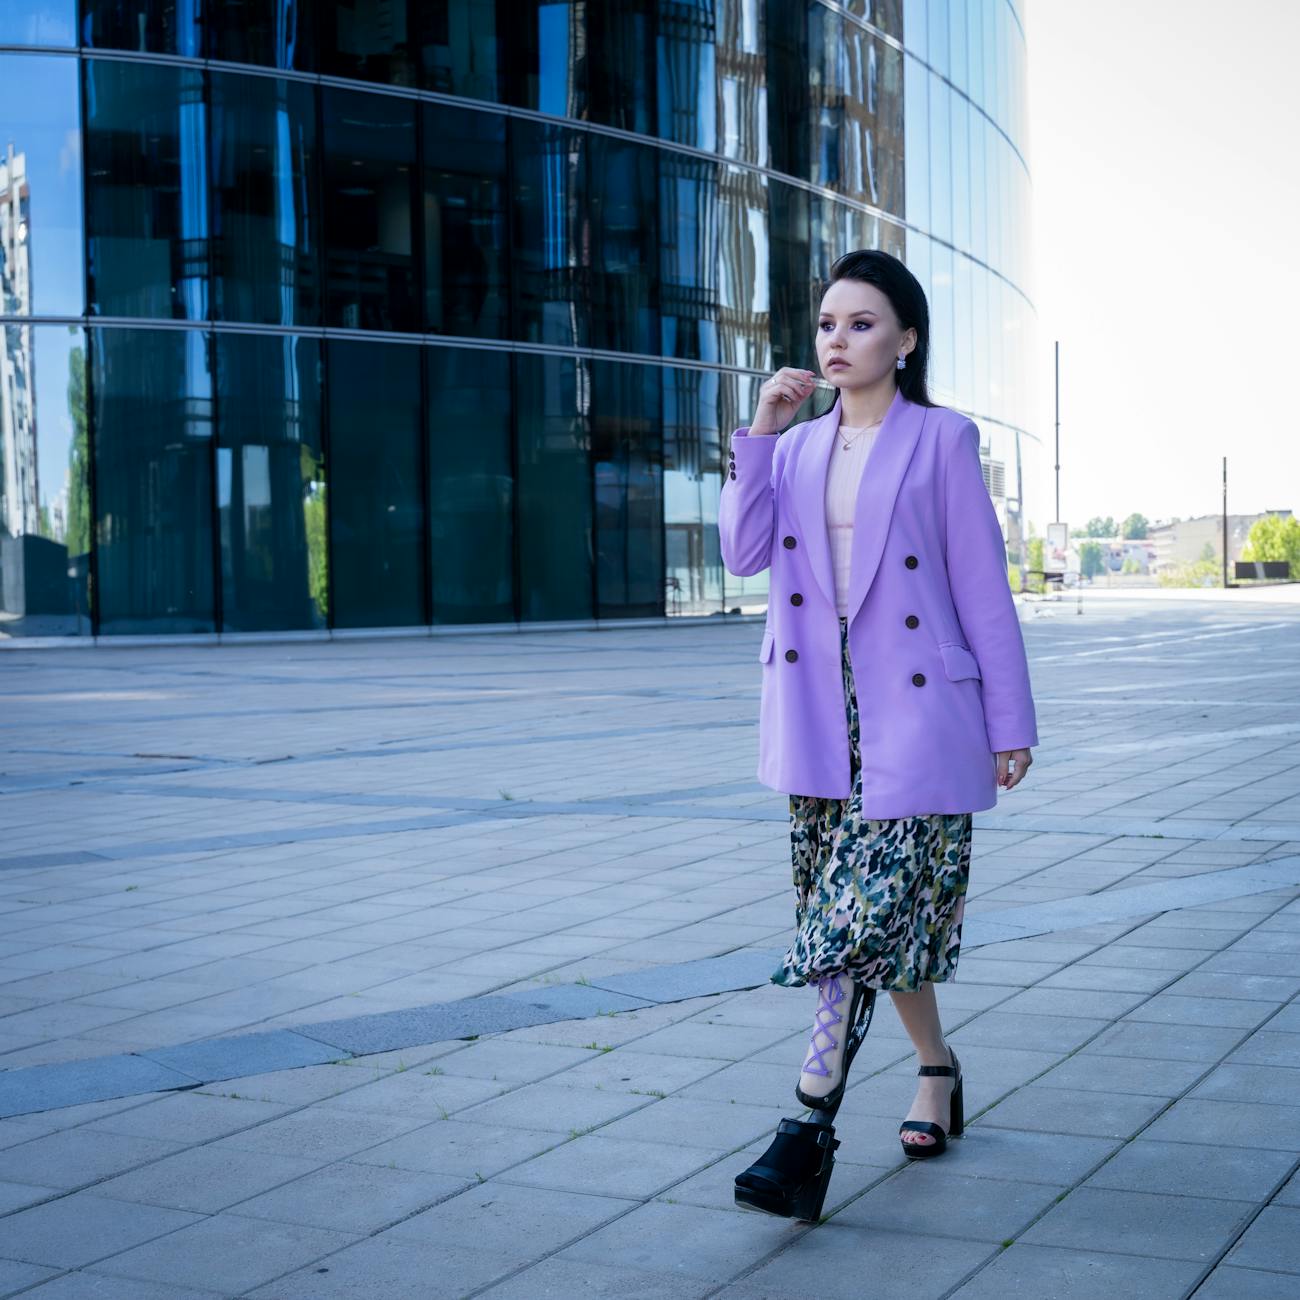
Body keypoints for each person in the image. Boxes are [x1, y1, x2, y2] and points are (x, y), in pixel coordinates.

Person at [723, 249, 1038, 1220]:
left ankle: (804, 1126)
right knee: (874, 931)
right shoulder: (795, 447)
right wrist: (762, 435)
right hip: (820, 718)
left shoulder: (941, 439)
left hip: (919, 717)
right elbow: (741, 553)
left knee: (851, 923)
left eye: (861, 324)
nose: (838, 340)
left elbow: (980, 587)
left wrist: (1009, 722)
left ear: (905, 340)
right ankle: (936, 1068)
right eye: (827, 323)